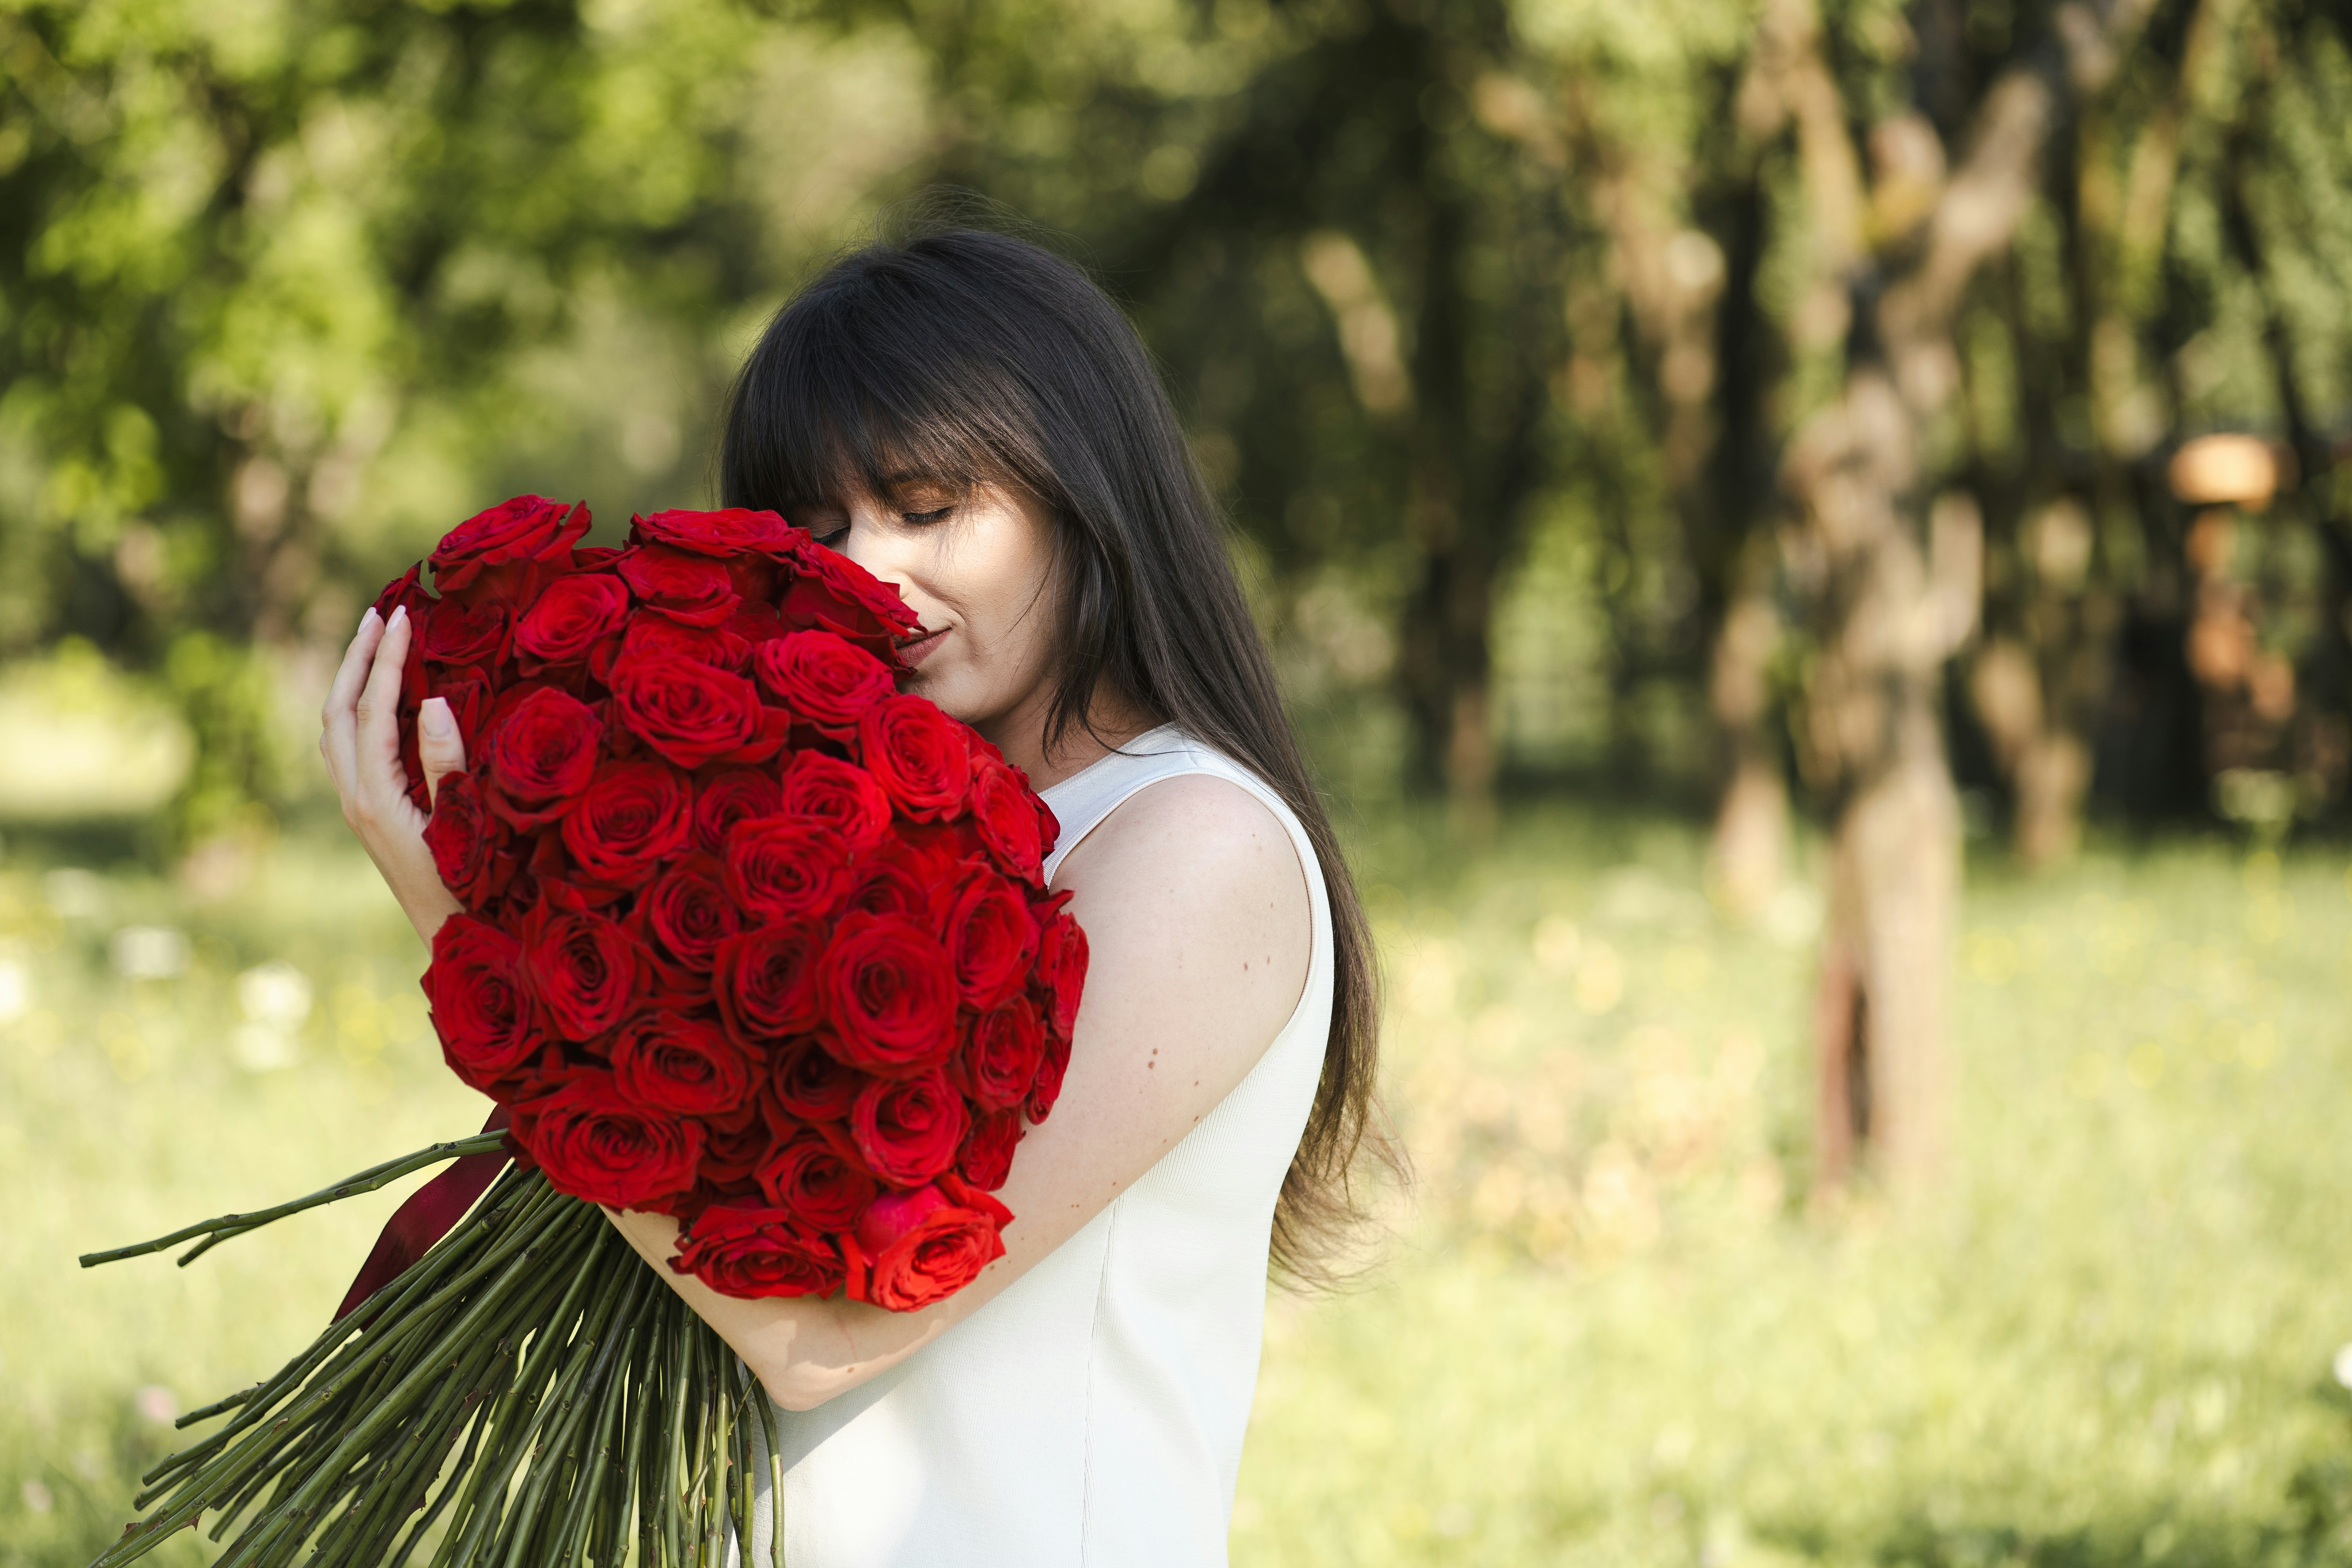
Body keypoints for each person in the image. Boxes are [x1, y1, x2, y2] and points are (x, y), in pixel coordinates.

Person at [318, 227, 1389, 1565]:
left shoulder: (1198, 846)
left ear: (1084, 487)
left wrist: (482, 950)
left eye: (928, 508)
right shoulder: (878, 809)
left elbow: (827, 1338)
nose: (867, 573)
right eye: (817, 529)